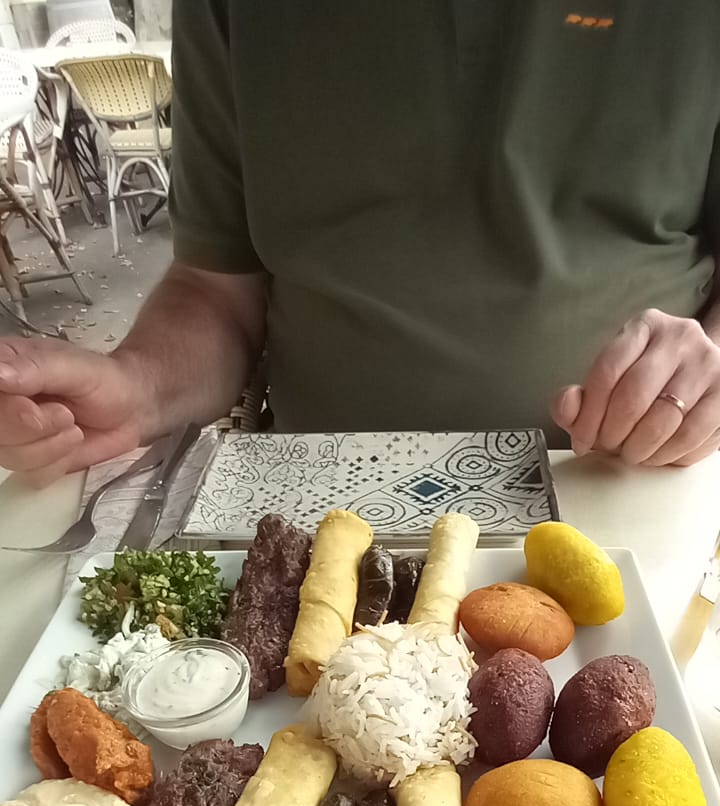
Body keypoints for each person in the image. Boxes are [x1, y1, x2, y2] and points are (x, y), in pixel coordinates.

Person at [2, 0, 720, 484]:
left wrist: (706, 376)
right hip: (319, 494)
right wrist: (137, 388)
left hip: (634, 482)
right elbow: (217, 287)